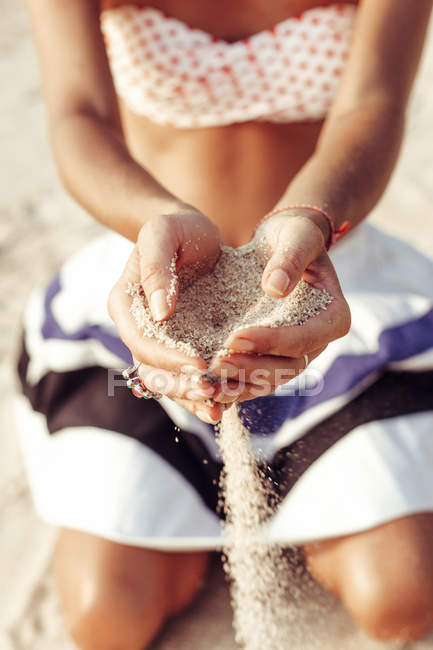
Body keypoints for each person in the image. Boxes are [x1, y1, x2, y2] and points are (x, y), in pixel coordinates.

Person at [14, 0, 433, 647]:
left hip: (326, 279)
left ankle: (289, 498)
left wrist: (310, 220)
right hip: (155, 280)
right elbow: (79, 116)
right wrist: (157, 217)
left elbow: (370, 107)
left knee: (403, 595)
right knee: (106, 615)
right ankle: (223, 506)